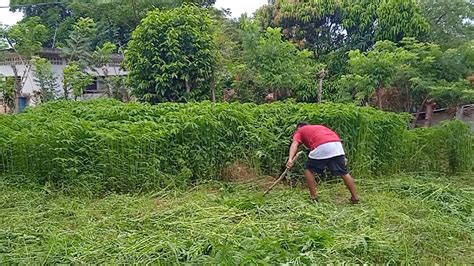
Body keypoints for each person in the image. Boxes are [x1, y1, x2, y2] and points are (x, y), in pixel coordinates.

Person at [286, 122, 360, 204]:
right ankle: (355, 197)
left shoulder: (300, 131)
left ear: (298, 128)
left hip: (322, 145)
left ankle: (313, 197)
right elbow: (332, 139)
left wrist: (290, 159)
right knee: (343, 172)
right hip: (337, 145)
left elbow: (295, 143)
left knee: (309, 170)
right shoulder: (319, 127)